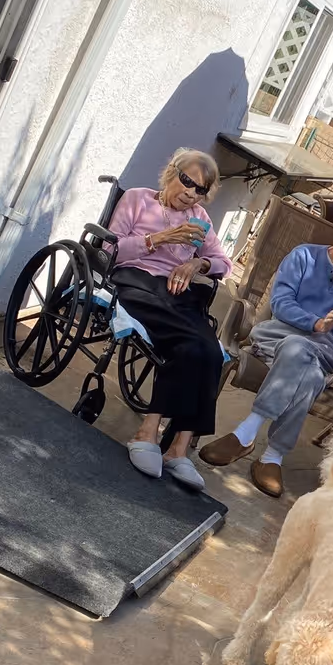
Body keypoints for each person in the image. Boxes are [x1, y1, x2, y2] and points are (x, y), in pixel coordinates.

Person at [200, 215, 333, 498]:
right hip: (277, 336)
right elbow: (281, 303)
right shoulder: (304, 256)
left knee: (299, 352)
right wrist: (316, 324)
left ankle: (246, 433)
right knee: (307, 367)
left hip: (322, 351)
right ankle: (273, 456)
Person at [108, 149, 232, 491]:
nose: (191, 192)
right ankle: (147, 431)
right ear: (171, 173)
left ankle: (178, 449)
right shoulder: (137, 199)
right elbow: (109, 249)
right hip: (136, 280)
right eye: (187, 181)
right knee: (186, 341)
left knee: (210, 352)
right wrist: (159, 239)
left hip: (176, 291)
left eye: (200, 189)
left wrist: (197, 263)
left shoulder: (199, 218)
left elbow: (223, 263)